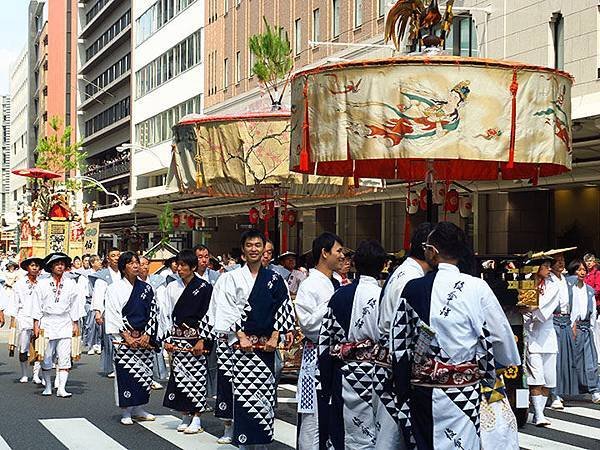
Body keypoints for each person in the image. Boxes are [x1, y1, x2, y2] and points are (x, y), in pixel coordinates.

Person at [390, 222, 520, 449]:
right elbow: (500, 337)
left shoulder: (413, 288)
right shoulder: (476, 286)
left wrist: (401, 385)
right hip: (464, 389)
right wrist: (499, 363)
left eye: (427, 247)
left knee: (424, 443)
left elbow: (398, 341)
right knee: (463, 442)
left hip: (423, 389)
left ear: (434, 251)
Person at [211, 230, 295, 447]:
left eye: (258, 245)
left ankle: (263, 441)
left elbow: (283, 307)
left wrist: (276, 336)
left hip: (266, 346)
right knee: (243, 396)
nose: (254, 249)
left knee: (264, 398)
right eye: (250, 245)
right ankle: (244, 441)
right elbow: (226, 308)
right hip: (242, 348)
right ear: (243, 250)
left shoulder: (275, 279)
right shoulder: (230, 278)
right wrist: (240, 335)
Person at [317, 240, 388, 449]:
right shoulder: (384, 297)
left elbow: (325, 342)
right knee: (376, 431)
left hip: (344, 372)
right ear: (383, 265)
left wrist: (326, 381)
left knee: (344, 430)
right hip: (377, 373)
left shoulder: (339, 296)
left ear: (354, 263)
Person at [375, 222, 433, 449]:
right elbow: (407, 329)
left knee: (392, 432)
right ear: (427, 249)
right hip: (399, 361)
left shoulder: (405, 272)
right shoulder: (411, 277)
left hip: (394, 358)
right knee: (396, 433)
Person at [295, 232, 345, 450]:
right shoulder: (310, 284)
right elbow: (307, 323)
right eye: (338, 251)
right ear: (324, 253)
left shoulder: (335, 282)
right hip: (315, 357)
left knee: (332, 413)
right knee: (313, 416)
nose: (342, 256)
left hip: (335, 358)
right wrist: (333, 304)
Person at [162, 249, 213, 434]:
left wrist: (203, 340)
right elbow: (166, 314)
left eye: (184, 265)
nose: (179, 268)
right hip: (177, 338)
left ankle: (197, 417)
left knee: (197, 378)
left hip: (196, 338)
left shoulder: (204, 287)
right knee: (180, 377)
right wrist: (167, 339)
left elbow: (209, 315)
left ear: (193, 267)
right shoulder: (171, 287)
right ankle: (185, 414)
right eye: (178, 264)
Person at [104, 252, 158, 425]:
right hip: (125, 338)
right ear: (123, 267)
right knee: (126, 373)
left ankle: (139, 407)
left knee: (144, 373)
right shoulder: (114, 288)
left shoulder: (147, 288)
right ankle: (126, 410)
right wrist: (125, 335)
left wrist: (148, 334)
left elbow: (154, 312)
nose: (136, 266)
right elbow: (113, 313)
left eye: (137, 262)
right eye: (131, 263)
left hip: (143, 337)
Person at [33, 252, 80, 398]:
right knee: (46, 356)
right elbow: (36, 305)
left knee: (64, 355)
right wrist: (36, 323)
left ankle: (62, 388)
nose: (60, 266)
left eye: (62, 264)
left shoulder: (71, 283)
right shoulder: (42, 283)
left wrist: (75, 322)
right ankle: (47, 386)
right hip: (47, 322)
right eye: (57, 264)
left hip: (65, 321)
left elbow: (75, 304)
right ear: (51, 266)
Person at [521, 254, 559, 426]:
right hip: (530, 335)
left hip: (548, 335)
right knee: (536, 377)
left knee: (549, 379)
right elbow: (524, 307)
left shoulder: (553, 285)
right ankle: (537, 414)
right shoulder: (525, 281)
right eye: (545, 265)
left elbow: (538, 309)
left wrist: (527, 306)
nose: (549, 269)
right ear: (537, 267)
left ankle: (539, 412)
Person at [548, 249, 578, 409]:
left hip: (566, 320)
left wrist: (573, 322)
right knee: (555, 360)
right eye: (557, 260)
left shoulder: (566, 280)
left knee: (566, 359)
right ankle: (554, 393)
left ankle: (559, 391)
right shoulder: (548, 279)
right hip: (554, 320)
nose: (561, 263)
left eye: (562, 260)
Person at [567, 259, 600, 403]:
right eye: (578, 269)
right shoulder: (568, 289)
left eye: (584, 270)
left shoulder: (589, 290)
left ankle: (595, 390)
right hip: (571, 327)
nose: (582, 272)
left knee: (590, 361)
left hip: (586, 328)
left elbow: (592, 313)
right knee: (568, 361)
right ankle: (559, 392)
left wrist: (592, 329)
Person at [11, 257, 45, 383]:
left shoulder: (43, 283)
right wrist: (13, 320)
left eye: (37, 266)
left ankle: (36, 374)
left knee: (39, 346)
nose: (35, 268)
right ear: (27, 267)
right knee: (23, 348)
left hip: (40, 317)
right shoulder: (19, 284)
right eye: (32, 265)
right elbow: (15, 303)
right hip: (24, 317)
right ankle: (24, 373)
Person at [138, 255, 168, 390]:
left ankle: (155, 376)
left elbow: (163, 301)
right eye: (141, 264)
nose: (144, 267)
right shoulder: (133, 283)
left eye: (146, 264)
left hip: (156, 319)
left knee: (155, 347)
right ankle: (145, 377)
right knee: (142, 349)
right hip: (140, 320)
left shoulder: (156, 281)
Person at [91, 247, 121, 377]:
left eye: (118, 255)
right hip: (109, 312)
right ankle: (114, 366)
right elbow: (98, 295)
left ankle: (123, 365)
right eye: (113, 255)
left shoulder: (125, 273)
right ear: (108, 259)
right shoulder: (103, 276)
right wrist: (98, 312)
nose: (116, 258)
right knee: (111, 340)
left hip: (125, 311)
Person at [83, 255, 103, 355]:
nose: (100, 262)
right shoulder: (87, 274)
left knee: (100, 325)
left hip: (100, 302)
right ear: (92, 263)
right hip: (89, 301)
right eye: (98, 261)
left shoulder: (102, 274)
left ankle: (99, 344)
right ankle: (90, 345)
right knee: (90, 325)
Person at [584, 253, 600, 365]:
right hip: (584, 303)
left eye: (590, 261)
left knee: (595, 329)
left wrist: (587, 292)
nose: (589, 263)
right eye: (587, 261)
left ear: (594, 262)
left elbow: (597, 289)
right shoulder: (583, 273)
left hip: (595, 303)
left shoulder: (597, 273)